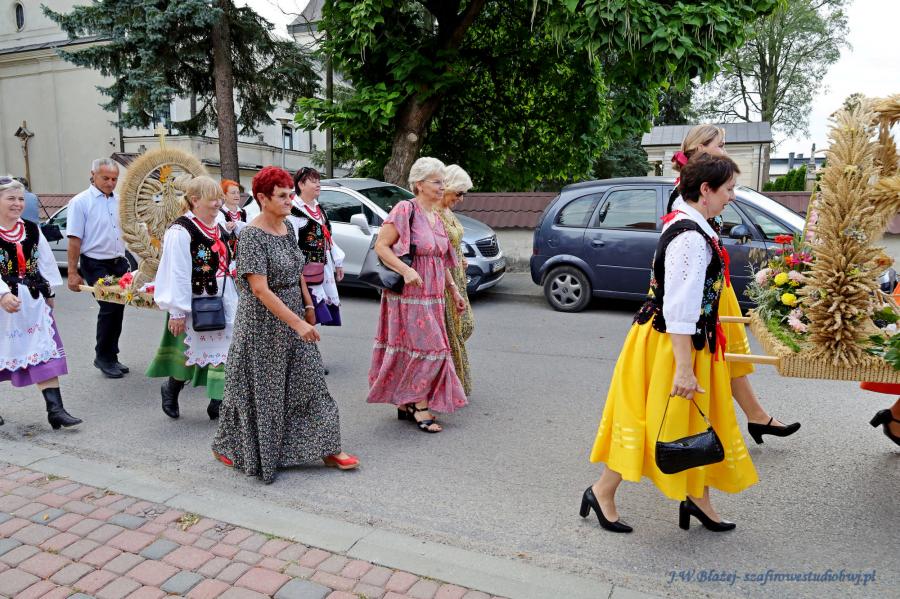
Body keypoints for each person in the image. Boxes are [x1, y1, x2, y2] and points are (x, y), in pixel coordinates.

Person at [582, 155, 758, 534]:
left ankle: (698, 498)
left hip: (686, 342)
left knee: (692, 420)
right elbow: (679, 308)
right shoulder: (690, 238)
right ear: (706, 190)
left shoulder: (691, 224)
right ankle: (602, 491)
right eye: (728, 189)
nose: (732, 196)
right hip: (671, 344)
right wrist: (683, 368)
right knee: (653, 421)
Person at [212, 166, 357, 484]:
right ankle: (233, 446)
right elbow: (260, 290)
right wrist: (297, 324)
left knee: (311, 382)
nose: (290, 200)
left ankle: (327, 446)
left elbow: (297, 271)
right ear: (262, 198)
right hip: (262, 325)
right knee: (262, 392)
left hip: (293, 316)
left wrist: (308, 306)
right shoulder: (251, 236)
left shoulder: (288, 227)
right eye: (282, 196)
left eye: (291, 194)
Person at [669, 125, 800, 444]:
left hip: (714, 285)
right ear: (700, 148)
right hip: (698, 290)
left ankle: (755, 416)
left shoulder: (706, 186)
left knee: (729, 357)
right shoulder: (686, 193)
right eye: (721, 145)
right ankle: (744, 420)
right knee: (720, 357)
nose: (725, 151)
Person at [367, 157, 468, 433]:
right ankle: (419, 404)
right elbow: (381, 246)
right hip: (408, 295)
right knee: (431, 350)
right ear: (419, 184)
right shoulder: (405, 209)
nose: (442, 186)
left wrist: (454, 291)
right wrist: (405, 270)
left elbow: (440, 260)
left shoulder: (436, 215)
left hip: (433, 296)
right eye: (437, 182)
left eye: (443, 182)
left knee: (419, 349)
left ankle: (406, 402)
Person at [146, 176, 237, 420]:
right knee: (188, 353)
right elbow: (176, 271)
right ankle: (172, 387)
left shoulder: (218, 225)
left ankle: (218, 402)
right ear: (195, 200)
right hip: (195, 301)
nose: (219, 203)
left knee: (226, 350)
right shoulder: (180, 231)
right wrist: (177, 311)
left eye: (220, 198)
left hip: (224, 296)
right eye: (213, 199)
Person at [0, 176, 81, 429]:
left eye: (21, 199)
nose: (18, 203)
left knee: (44, 351)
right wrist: (2, 294)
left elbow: (45, 261)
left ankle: (55, 410)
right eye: (11, 198)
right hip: (3, 303)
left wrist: (49, 293)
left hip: (32, 302)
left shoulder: (31, 229)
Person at [66, 158, 131, 379]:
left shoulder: (119, 201)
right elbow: (74, 240)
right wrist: (73, 273)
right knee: (109, 307)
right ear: (93, 175)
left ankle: (112, 355)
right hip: (95, 263)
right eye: (106, 178)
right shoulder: (80, 202)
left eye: (114, 179)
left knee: (118, 308)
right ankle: (103, 357)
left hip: (118, 262)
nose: (110, 183)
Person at [288, 167, 345, 328]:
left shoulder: (319, 209)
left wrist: (338, 262)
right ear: (301, 184)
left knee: (317, 315)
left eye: (318, 181)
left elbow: (328, 238)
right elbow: (292, 244)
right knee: (307, 309)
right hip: (305, 270)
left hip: (322, 267)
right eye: (313, 181)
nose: (318, 185)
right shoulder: (293, 211)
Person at [438, 164, 475, 396]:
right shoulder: (434, 213)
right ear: (447, 187)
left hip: (458, 276)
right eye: (459, 193)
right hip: (445, 280)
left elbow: (452, 245)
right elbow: (437, 252)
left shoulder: (447, 211)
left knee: (464, 326)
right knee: (453, 331)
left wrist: (461, 258)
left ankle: (448, 382)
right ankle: (447, 385)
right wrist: (451, 284)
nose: (461, 199)